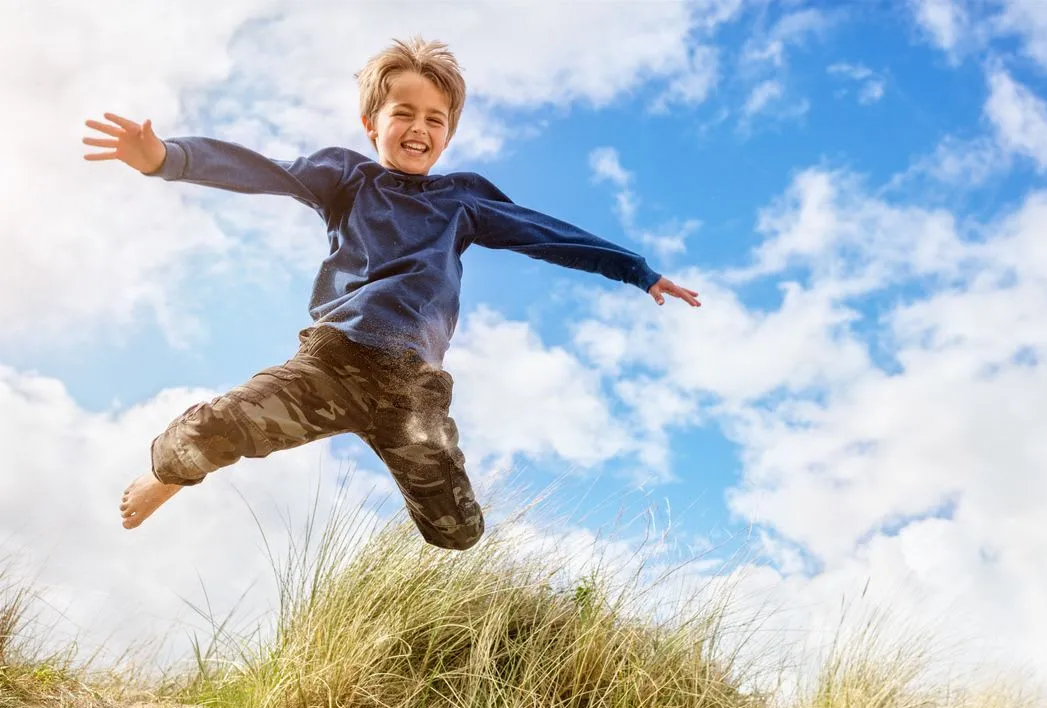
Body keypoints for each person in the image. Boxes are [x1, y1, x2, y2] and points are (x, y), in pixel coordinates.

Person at [82, 36, 700, 549]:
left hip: (412, 389)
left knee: (458, 534)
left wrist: (636, 270)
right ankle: (168, 473)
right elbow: (268, 172)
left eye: (435, 119)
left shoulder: (463, 199)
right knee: (212, 428)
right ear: (371, 122)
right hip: (331, 364)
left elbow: (545, 233)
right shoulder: (346, 178)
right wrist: (167, 157)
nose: (418, 128)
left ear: (448, 135)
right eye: (403, 113)